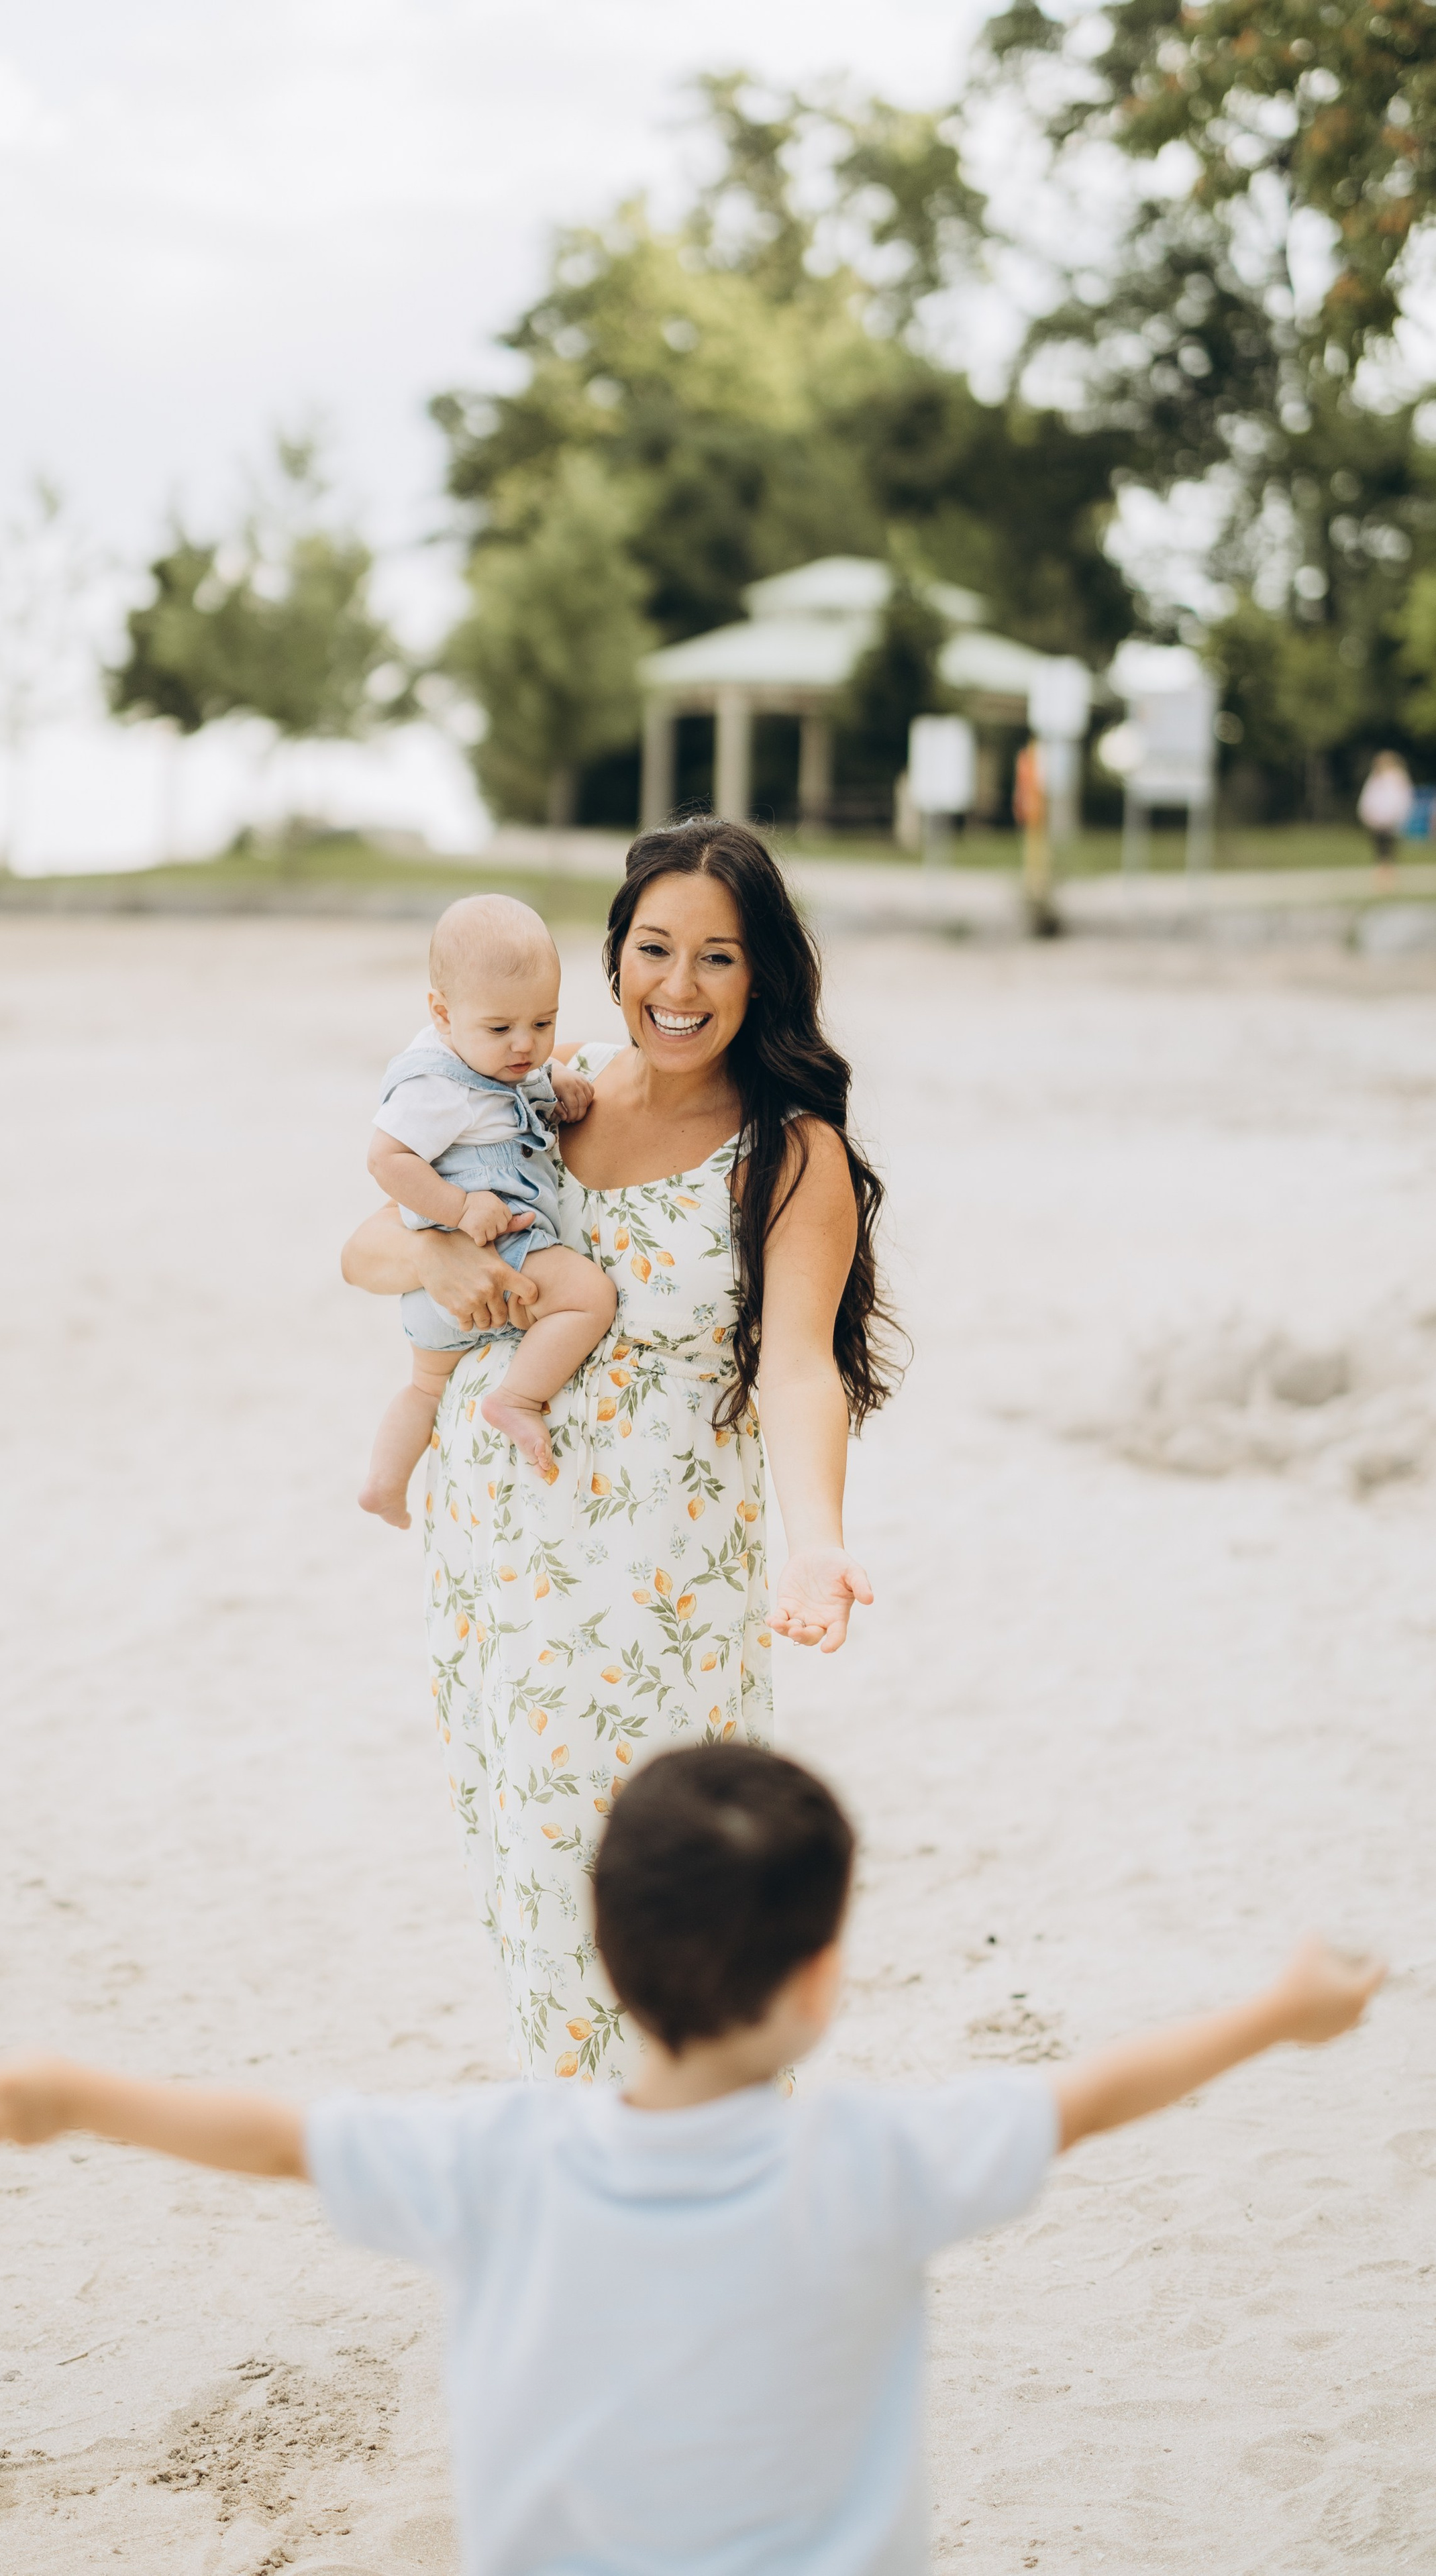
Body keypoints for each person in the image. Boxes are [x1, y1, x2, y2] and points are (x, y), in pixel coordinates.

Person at [0, 1742, 1386, 2576]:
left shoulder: (492, 2159)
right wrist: (1277, 2011)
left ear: (603, 1950)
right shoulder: (877, 2161)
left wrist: (77, 2096)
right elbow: (1081, 2100)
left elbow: (278, 2141)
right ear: (819, 1977)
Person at [339, 818, 896, 2080]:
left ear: (764, 978)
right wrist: (438, 1252)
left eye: (718, 957)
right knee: (536, 1893)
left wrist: (820, 1548)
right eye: (655, 948)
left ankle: (701, 2188)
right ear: (616, 955)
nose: (679, 987)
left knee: (681, 1906)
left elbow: (799, 1367)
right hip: (500, 1578)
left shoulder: (789, 1152)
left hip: (663, 1592)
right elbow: (363, 1252)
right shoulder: (546, 1091)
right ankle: (603, 2190)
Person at [359, 896, 617, 1523]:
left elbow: (514, 1083)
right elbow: (386, 1160)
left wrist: (553, 1079)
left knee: (425, 1388)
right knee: (589, 1296)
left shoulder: (498, 1061)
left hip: (437, 1301)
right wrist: (458, 1205)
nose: (523, 1046)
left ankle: (384, 1485)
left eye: (545, 1023)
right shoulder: (436, 1086)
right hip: (495, 1248)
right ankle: (519, 1399)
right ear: (442, 1016)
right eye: (501, 1030)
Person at [1357, 749, 1413, 879]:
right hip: (1377, 819)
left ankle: (1389, 873)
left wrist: (1398, 815)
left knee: (1389, 847)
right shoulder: (1375, 778)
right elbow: (1368, 798)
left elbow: (1402, 798)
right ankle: (1382, 872)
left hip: (1391, 819)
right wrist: (1367, 814)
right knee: (1379, 848)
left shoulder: (1397, 777)